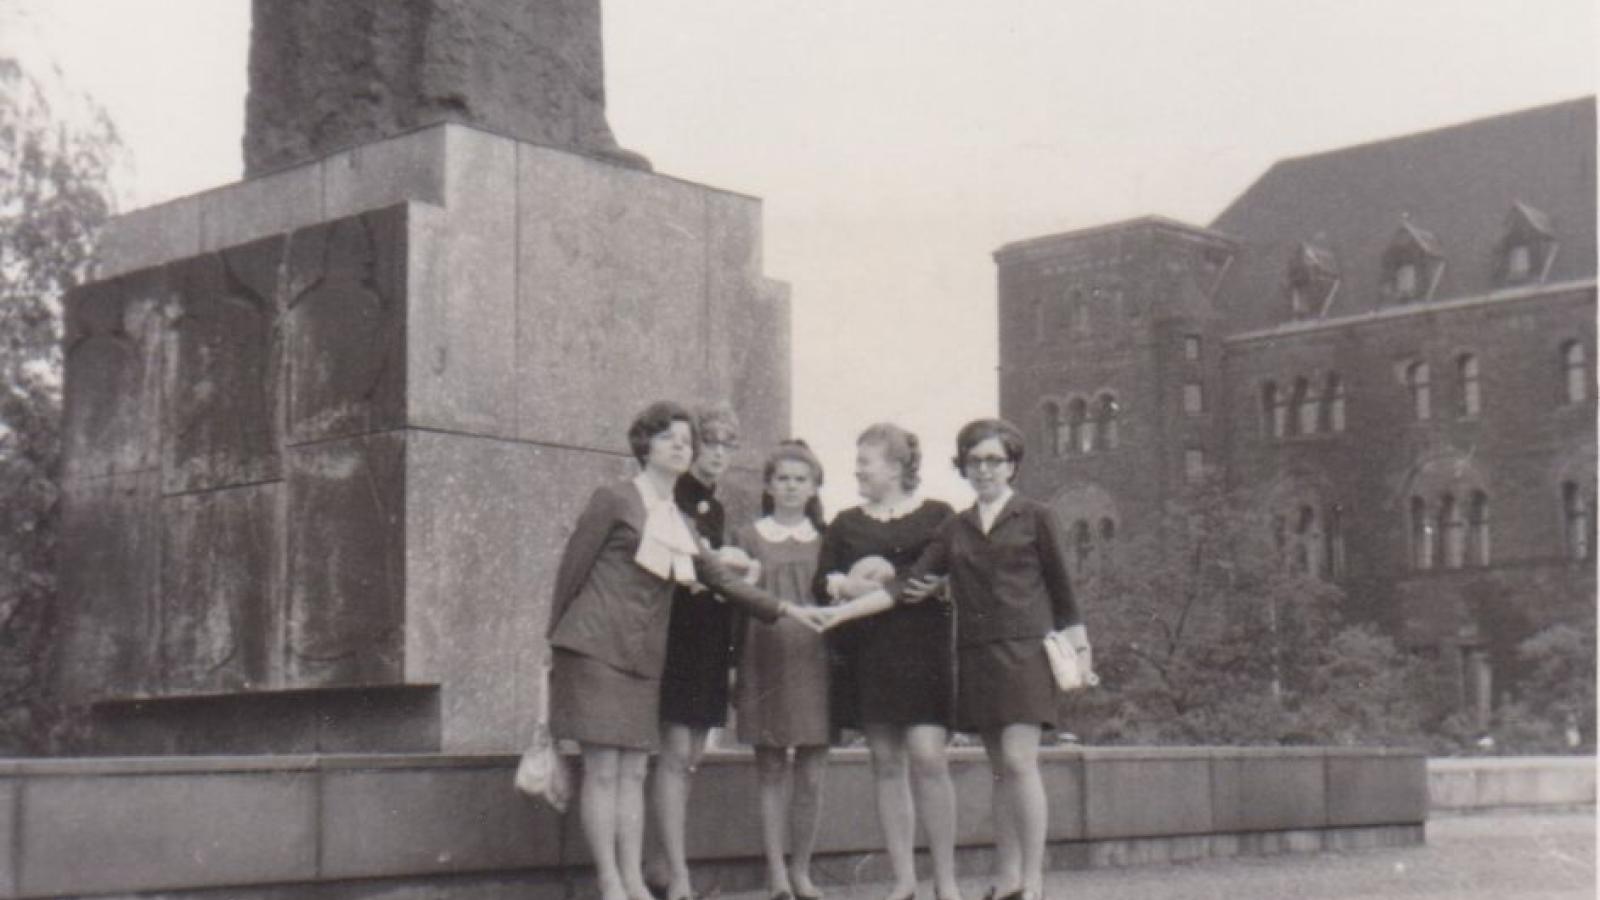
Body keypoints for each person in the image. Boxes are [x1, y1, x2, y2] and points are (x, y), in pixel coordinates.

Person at [544, 401, 824, 900]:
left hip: (643, 655)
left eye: (685, 441)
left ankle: (634, 881)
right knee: (605, 770)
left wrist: (785, 609)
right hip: (594, 647)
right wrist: (554, 644)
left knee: (632, 770)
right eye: (669, 438)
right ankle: (611, 883)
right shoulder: (615, 497)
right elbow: (573, 568)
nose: (681, 446)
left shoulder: (676, 515)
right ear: (644, 445)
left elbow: (715, 576)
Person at [822, 418, 1091, 900]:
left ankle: (1032, 882)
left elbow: (1064, 592)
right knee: (997, 767)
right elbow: (905, 587)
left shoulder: (1036, 515)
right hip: (976, 655)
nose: (985, 470)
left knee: (1017, 760)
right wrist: (837, 614)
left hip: (1026, 652)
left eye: (994, 460)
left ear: (1011, 465)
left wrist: (1081, 650)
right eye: (975, 461)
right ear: (963, 466)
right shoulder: (956, 527)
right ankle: (1007, 877)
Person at [810, 423, 962, 900]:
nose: (857, 472)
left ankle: (947, 881)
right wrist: (848, 585)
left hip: (924, 649)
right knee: (886, 761)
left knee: (928, 757)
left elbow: (947, 572)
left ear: (896, 467)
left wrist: (927, 584)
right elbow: (821, 582)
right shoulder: (845, 522)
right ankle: (904, 882)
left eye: (865, 463)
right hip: (870, 652)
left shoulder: (939, 515)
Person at [652, 403, 746, 900]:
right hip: (679, 632)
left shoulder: (717, 505)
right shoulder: (674, 495)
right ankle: (676, 872)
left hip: (710, 634)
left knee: (690, 754)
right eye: (710, 444)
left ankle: (665, 862)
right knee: (675, 751)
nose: (718, 456)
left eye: (729, 446)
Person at [732, 440, 833, 900]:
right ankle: (776, 873)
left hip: (815, 661)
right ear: (769, 486)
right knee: (771, 765)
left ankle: (802, 870)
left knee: (811, 770)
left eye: (801, 479)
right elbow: (736, 604)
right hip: (763, 656)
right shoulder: (748, 537)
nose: (791, 487)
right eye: (783, 479)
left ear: (813, 488)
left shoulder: (827, 540)